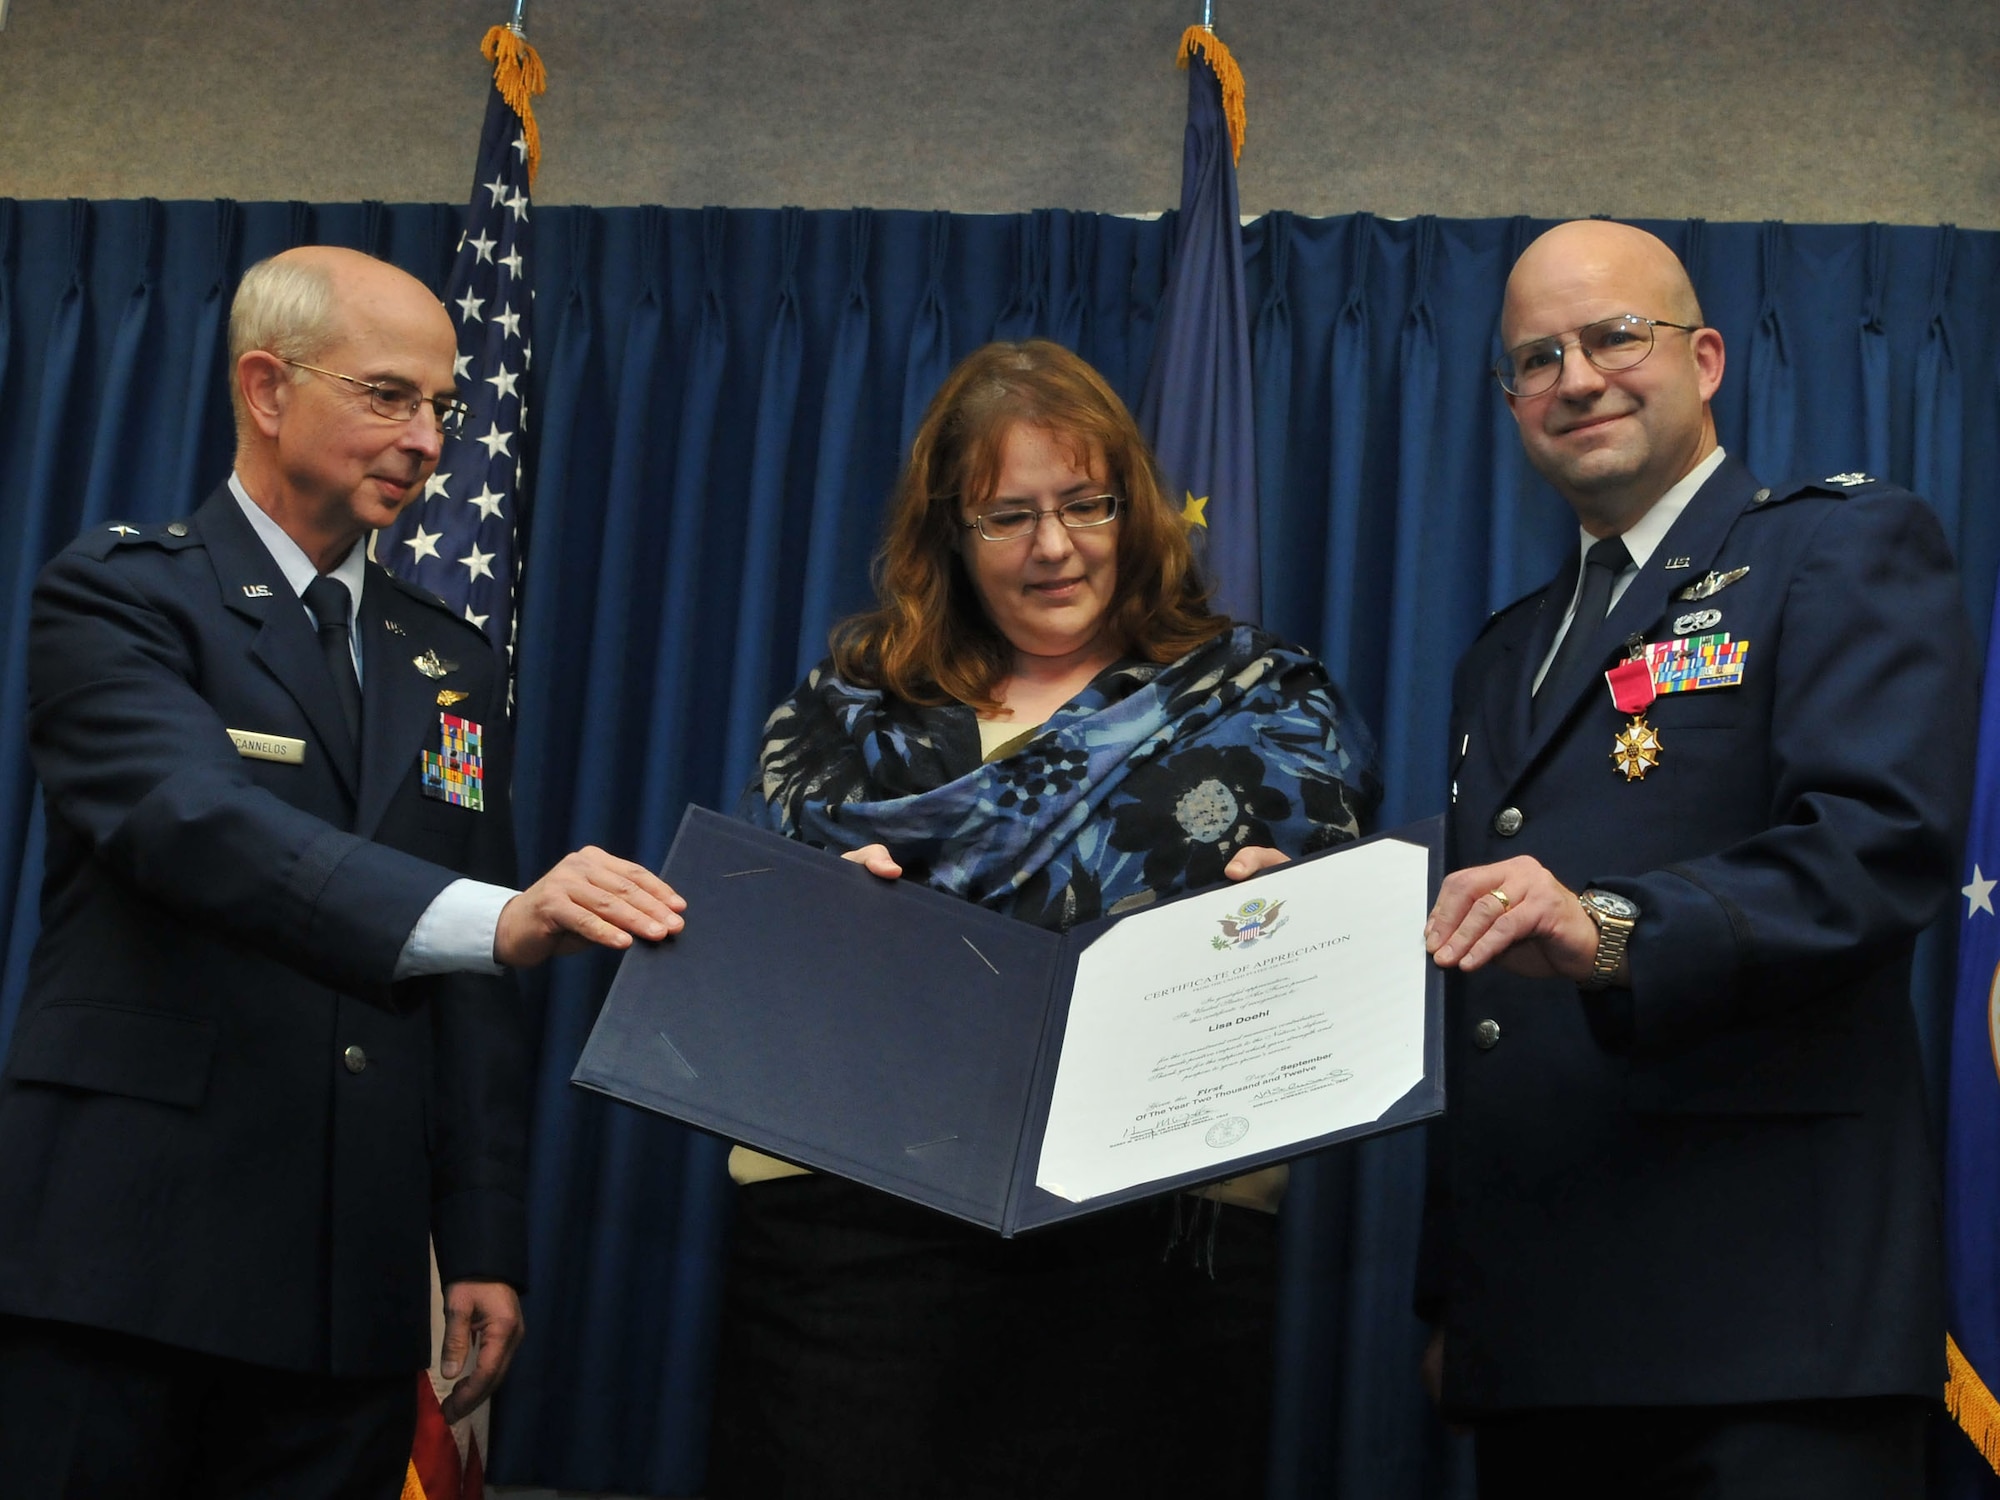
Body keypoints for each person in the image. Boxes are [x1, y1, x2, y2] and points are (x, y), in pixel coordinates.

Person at [0, 246, 686, 1500]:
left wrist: (480, 1236)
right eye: (388, 397)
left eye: (442, 406)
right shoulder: (120, 596)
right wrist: (496, 918)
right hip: (130, 1258)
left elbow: (472, 993)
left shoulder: (447, 663)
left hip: (349, 1289)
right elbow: (194, 824)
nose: (428, 439)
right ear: (266, 389)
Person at [708, 339, 1377, 1498]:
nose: (1054, 546)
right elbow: (758, 962)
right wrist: (818, 909)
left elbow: (1328, 958)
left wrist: (1290, 911)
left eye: (1085, 503)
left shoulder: (1260, 697)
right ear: (949, 537)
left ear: (1137, 510)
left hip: (1154, 1245)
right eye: (1006, 515)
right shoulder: (846, 713)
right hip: (859, 1242)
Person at [1419, 219, 1976, 1496]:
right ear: (1510, 400)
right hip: (1542, 1332)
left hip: (1766, 1328)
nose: (1576, 376)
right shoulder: (1504, 652)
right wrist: (1449, 1293)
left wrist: (1611, 927)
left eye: (1615, 336)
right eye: (1535, 357)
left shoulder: (1834, 549)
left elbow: (1876, 851)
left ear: (1706, 357)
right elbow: (1479, 990)